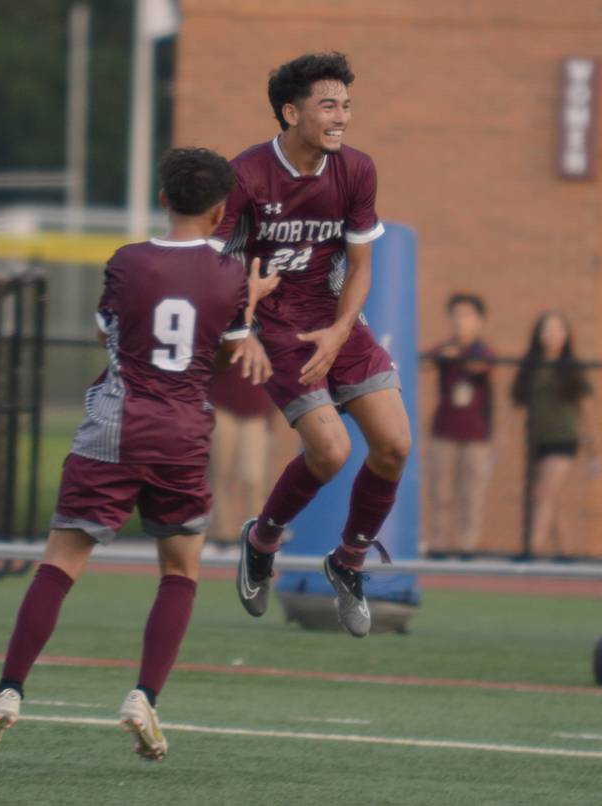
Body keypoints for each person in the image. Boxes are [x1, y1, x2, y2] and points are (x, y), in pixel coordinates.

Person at [0, 147, 277, 761]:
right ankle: (145, 697)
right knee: (181, 571)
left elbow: (108, 331)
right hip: (184, 433)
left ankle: (8, 690)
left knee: (61, 562)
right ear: (220, 211)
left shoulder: (129, 261)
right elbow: (229, 347)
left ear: (163, 199)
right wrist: (251, 300)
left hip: (116, 425)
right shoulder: (231, 274)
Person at [210, 52, 412, 638]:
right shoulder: (245, 175)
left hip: (337, 317)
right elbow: (217, 263)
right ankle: (263, 537)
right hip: (276, 324)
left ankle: (347, 562)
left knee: (395, 445)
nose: (342, 116)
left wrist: (341, 330)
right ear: (291, 111)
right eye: (329, 105)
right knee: (329, 452)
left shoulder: (357, 170)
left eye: (347, 105)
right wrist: (240, 330)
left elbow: (362, 265)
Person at [511, 312, 596, 558]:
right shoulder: (532, 366)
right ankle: (565, 551)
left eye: (558, 330)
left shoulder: (572, 368)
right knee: (553, 498)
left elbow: (587, 410)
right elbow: (515, 403)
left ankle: (532, 550)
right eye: (547, 330)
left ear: (566, 334)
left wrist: (594, 450)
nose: (552, 335)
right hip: (539, 440)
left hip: (565, 439)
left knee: (543, 493)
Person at [426, 294, 495, 558]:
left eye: (467, 315)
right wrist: (447, 354)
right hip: (443, 431)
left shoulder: (483, 351)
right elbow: (427, 360)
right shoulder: (443, 350)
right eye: (456, 314)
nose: (460, 321)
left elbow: (480, 367)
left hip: (477, 436)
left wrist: (459, 356)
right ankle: (439, 546)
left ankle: (468, 548)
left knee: (472, 494)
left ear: (479, 320)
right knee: (440, 492)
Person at [206, 367, 278, 545]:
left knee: (253, 477)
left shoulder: (266, 340)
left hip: (256, 411)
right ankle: (223, 535)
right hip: (222, 406)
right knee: (221, 474)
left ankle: (254, 532)